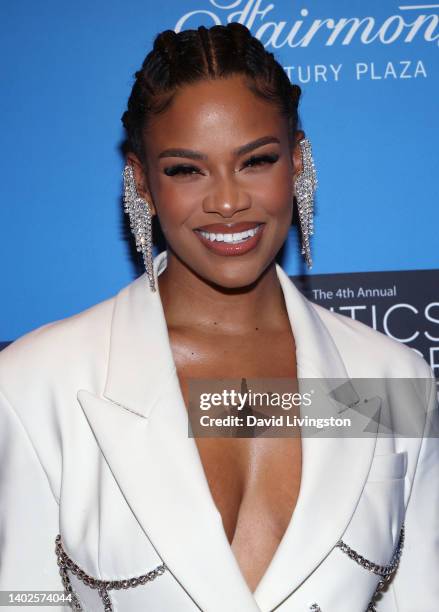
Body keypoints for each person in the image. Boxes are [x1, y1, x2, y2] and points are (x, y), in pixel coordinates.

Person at [0, 22, 437, 612]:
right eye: (187, 169)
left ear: (297, 161)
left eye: (255, 161)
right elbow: (20, 599)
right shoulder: (37, 382)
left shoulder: (395, 381)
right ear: (142, 181)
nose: (228, 202)